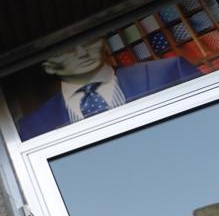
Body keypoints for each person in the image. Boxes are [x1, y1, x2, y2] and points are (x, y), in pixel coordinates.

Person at [16, 38, 200, 140]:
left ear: (104, 42)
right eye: (66, 50)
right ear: (48, 66)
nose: (82, 53)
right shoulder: (32, 126)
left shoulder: (169, 71)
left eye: (88, 41)